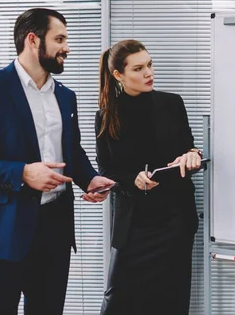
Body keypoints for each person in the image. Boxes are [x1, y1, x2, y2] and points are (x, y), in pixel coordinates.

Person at [0, 8, 115, 315]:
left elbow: (70, 151)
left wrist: (89, 178)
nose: (67, 48)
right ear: (33, 41)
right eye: (59, 39)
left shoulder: (65, 96)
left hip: (55, 232)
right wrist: (21, 173)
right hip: (1, 233)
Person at [96, 39, 201, 314]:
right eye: (139, 68)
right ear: (119, 75)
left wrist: (192, 156)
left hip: (175, 222)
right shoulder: (107, 115)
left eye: (150, 65)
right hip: (134, 226)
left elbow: (189, 149)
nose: (148, 73)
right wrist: (133, 179)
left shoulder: (172, 103)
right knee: (118, 301)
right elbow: (106, 171)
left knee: (172, 301)